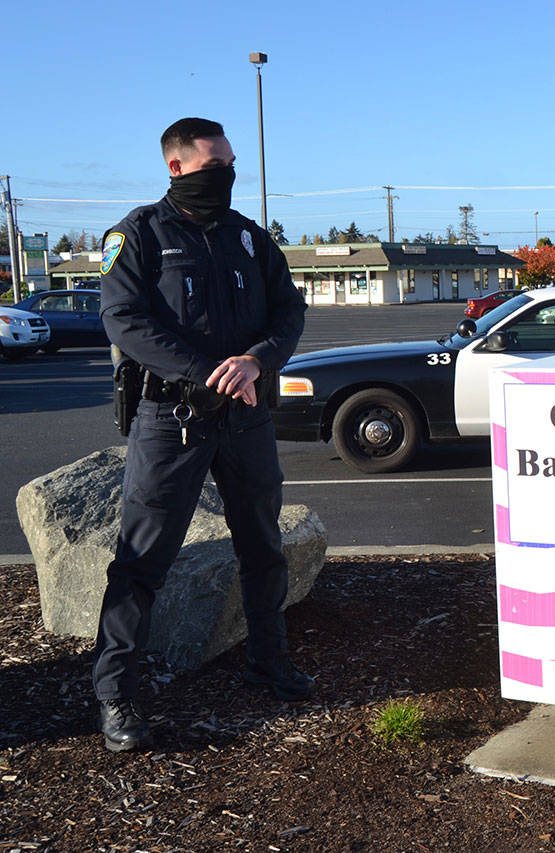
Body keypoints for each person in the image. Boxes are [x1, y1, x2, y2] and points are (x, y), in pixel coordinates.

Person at [92, 117, 311, 753]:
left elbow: (289, 311)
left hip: (246, 416)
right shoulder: (136, 235)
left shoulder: (249, 238)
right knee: (141, 562)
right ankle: (115, 695)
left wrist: (260, 358)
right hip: (172, 419)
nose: (227, 175)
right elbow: (122, 318)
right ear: (177, 167)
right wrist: (204, 374)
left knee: (264, 547)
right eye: (215, 165)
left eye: (231, 163)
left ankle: (269, 661)